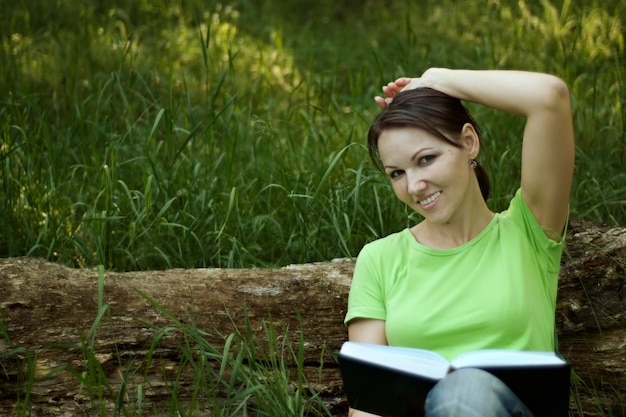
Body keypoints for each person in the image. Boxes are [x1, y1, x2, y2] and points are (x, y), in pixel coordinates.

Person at [344, 68, 575, 417]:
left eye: (426, 159)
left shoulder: (529, 232)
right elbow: (370, 405)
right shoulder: (379, 260)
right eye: (397, 173)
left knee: (465, 391)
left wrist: (438, 79)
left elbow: (549, 97)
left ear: (469, 142)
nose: (414, 186)